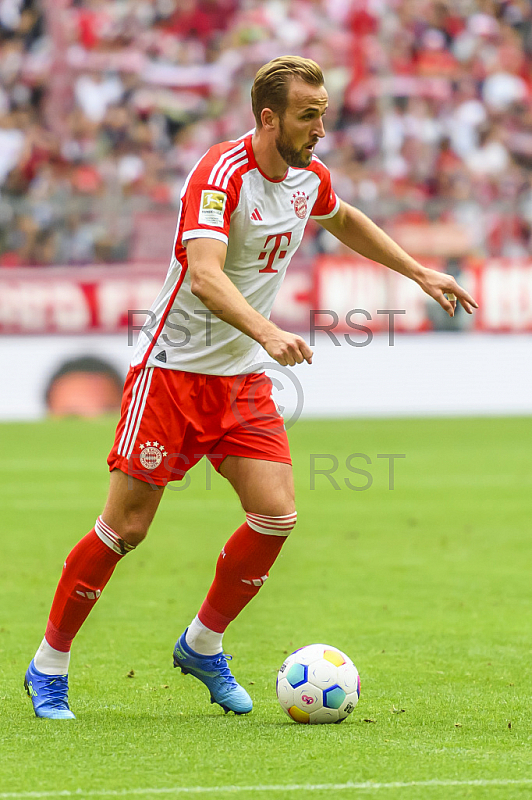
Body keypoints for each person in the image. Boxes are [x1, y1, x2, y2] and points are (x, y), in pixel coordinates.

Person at [24, 56, 478, 719]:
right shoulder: (219, 176)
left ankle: (202, 645)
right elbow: (204, 274)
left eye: (324, 112)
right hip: (172, 375)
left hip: (238, 382)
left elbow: (343, 217)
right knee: (126, 528)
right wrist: (267, 332)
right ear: (269, 117)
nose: (321, 128)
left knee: (276, 514)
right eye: (308, 115)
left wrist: (418, 272)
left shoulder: (306, 178)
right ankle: (49, 667)